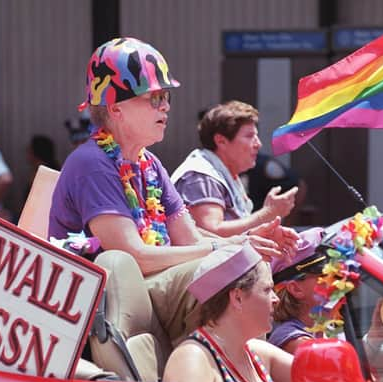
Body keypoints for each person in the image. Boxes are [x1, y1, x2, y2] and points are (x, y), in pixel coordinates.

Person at [48, 37, 295, 345]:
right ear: (116, 108)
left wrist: (245, 243)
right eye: (154, 97)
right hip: (106, 309)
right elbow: (135, 257)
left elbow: (190, 239)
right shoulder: (92, 163)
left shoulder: (148, 163)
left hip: (148, 292)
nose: (165, 105)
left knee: (247, 268)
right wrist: (227, 249)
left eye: (166, 97)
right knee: (227, 276)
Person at [163, 243, 293, 382]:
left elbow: (317, 373)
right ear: (238, 298)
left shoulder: (256, 351)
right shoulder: (192, 358)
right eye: (267, 289)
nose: (276, 299)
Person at [171, 101, 299, 242]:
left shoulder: (224, 172)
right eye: (249, 136)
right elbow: (210, 232)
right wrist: (267, 213)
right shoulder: (201, 177)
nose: (258, 144)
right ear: (221, 141)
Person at [268, 227, 325, 354]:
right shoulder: (294, 340)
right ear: (296, 289)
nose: (340, 278)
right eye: (326, 274)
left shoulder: (325, 326)